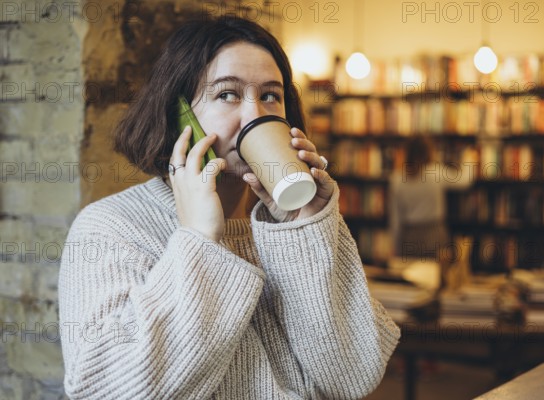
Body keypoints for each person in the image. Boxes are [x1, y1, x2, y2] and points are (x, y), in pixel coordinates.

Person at [58, 15, 400, 399]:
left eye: (271, 95)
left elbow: (350, 379)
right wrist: (199, 239)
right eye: (227, 94)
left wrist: (304, 229)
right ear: (180, 115)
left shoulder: (301, 218)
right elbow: (105, 390)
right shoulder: (111, 227)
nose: (256, 115)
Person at [388, 136, 475, 287]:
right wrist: (469, 159)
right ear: (429, 152)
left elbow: (395, 219)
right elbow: (464, 181)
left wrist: (395, 247)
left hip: (410, 235)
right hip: (434, 232)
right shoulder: (435, 172)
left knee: (410, 281)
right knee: (436, 280)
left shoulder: (397, 178)